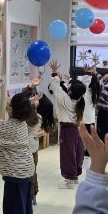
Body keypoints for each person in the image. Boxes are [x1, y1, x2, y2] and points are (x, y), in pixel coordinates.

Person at [48, 60, 87, 189]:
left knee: (68, 153)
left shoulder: (64, 99)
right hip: (77, 129)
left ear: (70, 91)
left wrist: (54, 73)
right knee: (77, 152)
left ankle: (70, 179)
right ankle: (75, 176)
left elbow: (55, 87)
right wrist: (65, 80)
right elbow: (65, 88)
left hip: (67, 129)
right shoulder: (80, 99)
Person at [23, 81, 55, 206]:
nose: (35, 97)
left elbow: (21, 101)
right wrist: (32, 87)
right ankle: (33, 196)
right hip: (33, 149)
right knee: (32, 172)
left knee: (27, 174)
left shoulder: (34, 118)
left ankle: (30, 196)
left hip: (27, 150)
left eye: (37, 98)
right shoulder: (39, 118)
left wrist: (32, 100)